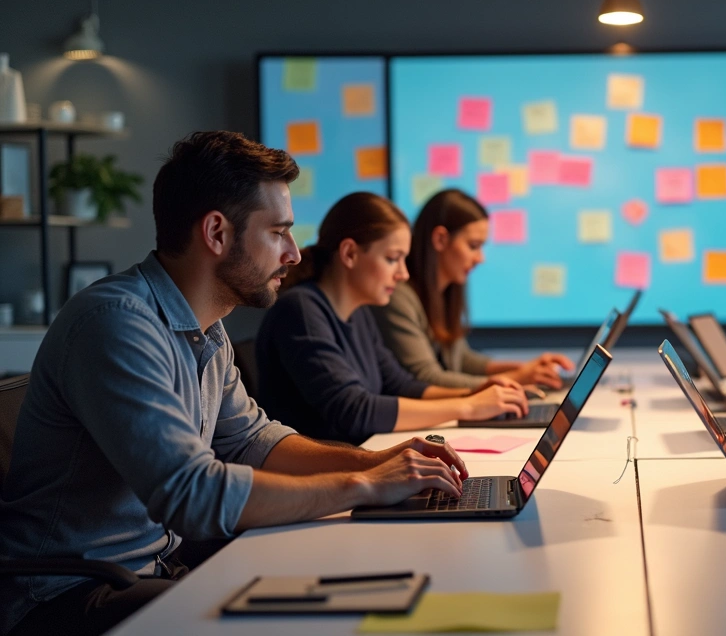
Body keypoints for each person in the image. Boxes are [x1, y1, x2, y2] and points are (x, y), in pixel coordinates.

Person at [0, 132, 469, 636]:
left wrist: (379, 462)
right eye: (279, 232)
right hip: (67, 595)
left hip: (151, 569)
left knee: (358, 585)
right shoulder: (116, 324)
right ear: (217, 233)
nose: (294, 253)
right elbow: (193, 496)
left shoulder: (207, 326)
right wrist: (365, 485)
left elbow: (253, 441)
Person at [256, 192, 530, 445]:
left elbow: (401, 385)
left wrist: (475, 394)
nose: (403, 274)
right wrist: (467, 407)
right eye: (392, 258)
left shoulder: (359, 313)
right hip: (323, 476)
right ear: (350, 254)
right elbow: (354, 410)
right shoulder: (301, 310)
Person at [373, 189, 574, 390]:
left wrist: (525, 370)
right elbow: (426, 377)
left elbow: (462, 359)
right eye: (473, 246)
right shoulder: (398, 297)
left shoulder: (445, 293)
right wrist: (516, 379)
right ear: (440, 239)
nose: (480, 258)